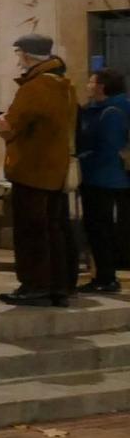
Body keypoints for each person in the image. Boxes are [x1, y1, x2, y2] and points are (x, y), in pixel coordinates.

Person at [0, 35, 79, 306]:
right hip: (55, 170)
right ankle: (58, 286)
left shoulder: (35, 87)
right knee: (54, 229)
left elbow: (11, 126)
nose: (18, 59)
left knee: (31, 231)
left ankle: (35, 285)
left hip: (31, 170)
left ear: (27, 56)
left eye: (19, 54)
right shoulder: (64, 85)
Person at [76, 68, 130, 293]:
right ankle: (104, 275)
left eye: (91, 82)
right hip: (110, 178)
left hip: (104, 179)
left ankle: (106, 278)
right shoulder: (105, 109)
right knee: (103, 229)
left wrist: (81, 161)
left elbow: (108, 148)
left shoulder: (111, 112)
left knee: (101, 229)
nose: (88, 86)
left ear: (101, 87)